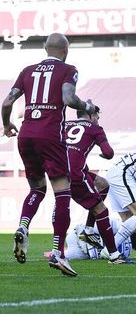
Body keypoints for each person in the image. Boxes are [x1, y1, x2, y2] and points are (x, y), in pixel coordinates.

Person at [2, 33, 97, 277]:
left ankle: (24, 226)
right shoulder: (68, 69)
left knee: (37, 189)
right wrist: (88, 107)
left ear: (45, 48)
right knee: (62, 192)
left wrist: (6, 125)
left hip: (26, 135)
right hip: (50, 135)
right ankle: (57, 253)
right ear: (66, 50)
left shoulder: (27, 70)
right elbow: (69, 98)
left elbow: (6, 102)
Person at [65, 107, 129, 264]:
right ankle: (113, 255)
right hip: (75, 173)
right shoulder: (95, 128)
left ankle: (87, 230)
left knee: (103, 184)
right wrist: (102, 153)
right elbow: (109, 153)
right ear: (89, 115)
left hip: (58, 169)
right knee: (101, 210)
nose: (98, 120)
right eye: (97, 116)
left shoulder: (64, 124)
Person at [45, 220, 136, 262]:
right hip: (84, 252)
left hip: (77, 236)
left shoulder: (122, 228)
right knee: (64, 257)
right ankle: (57, 252)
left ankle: (59, 247)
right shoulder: (127, 253)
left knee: (101, 226)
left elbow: (102, 224)